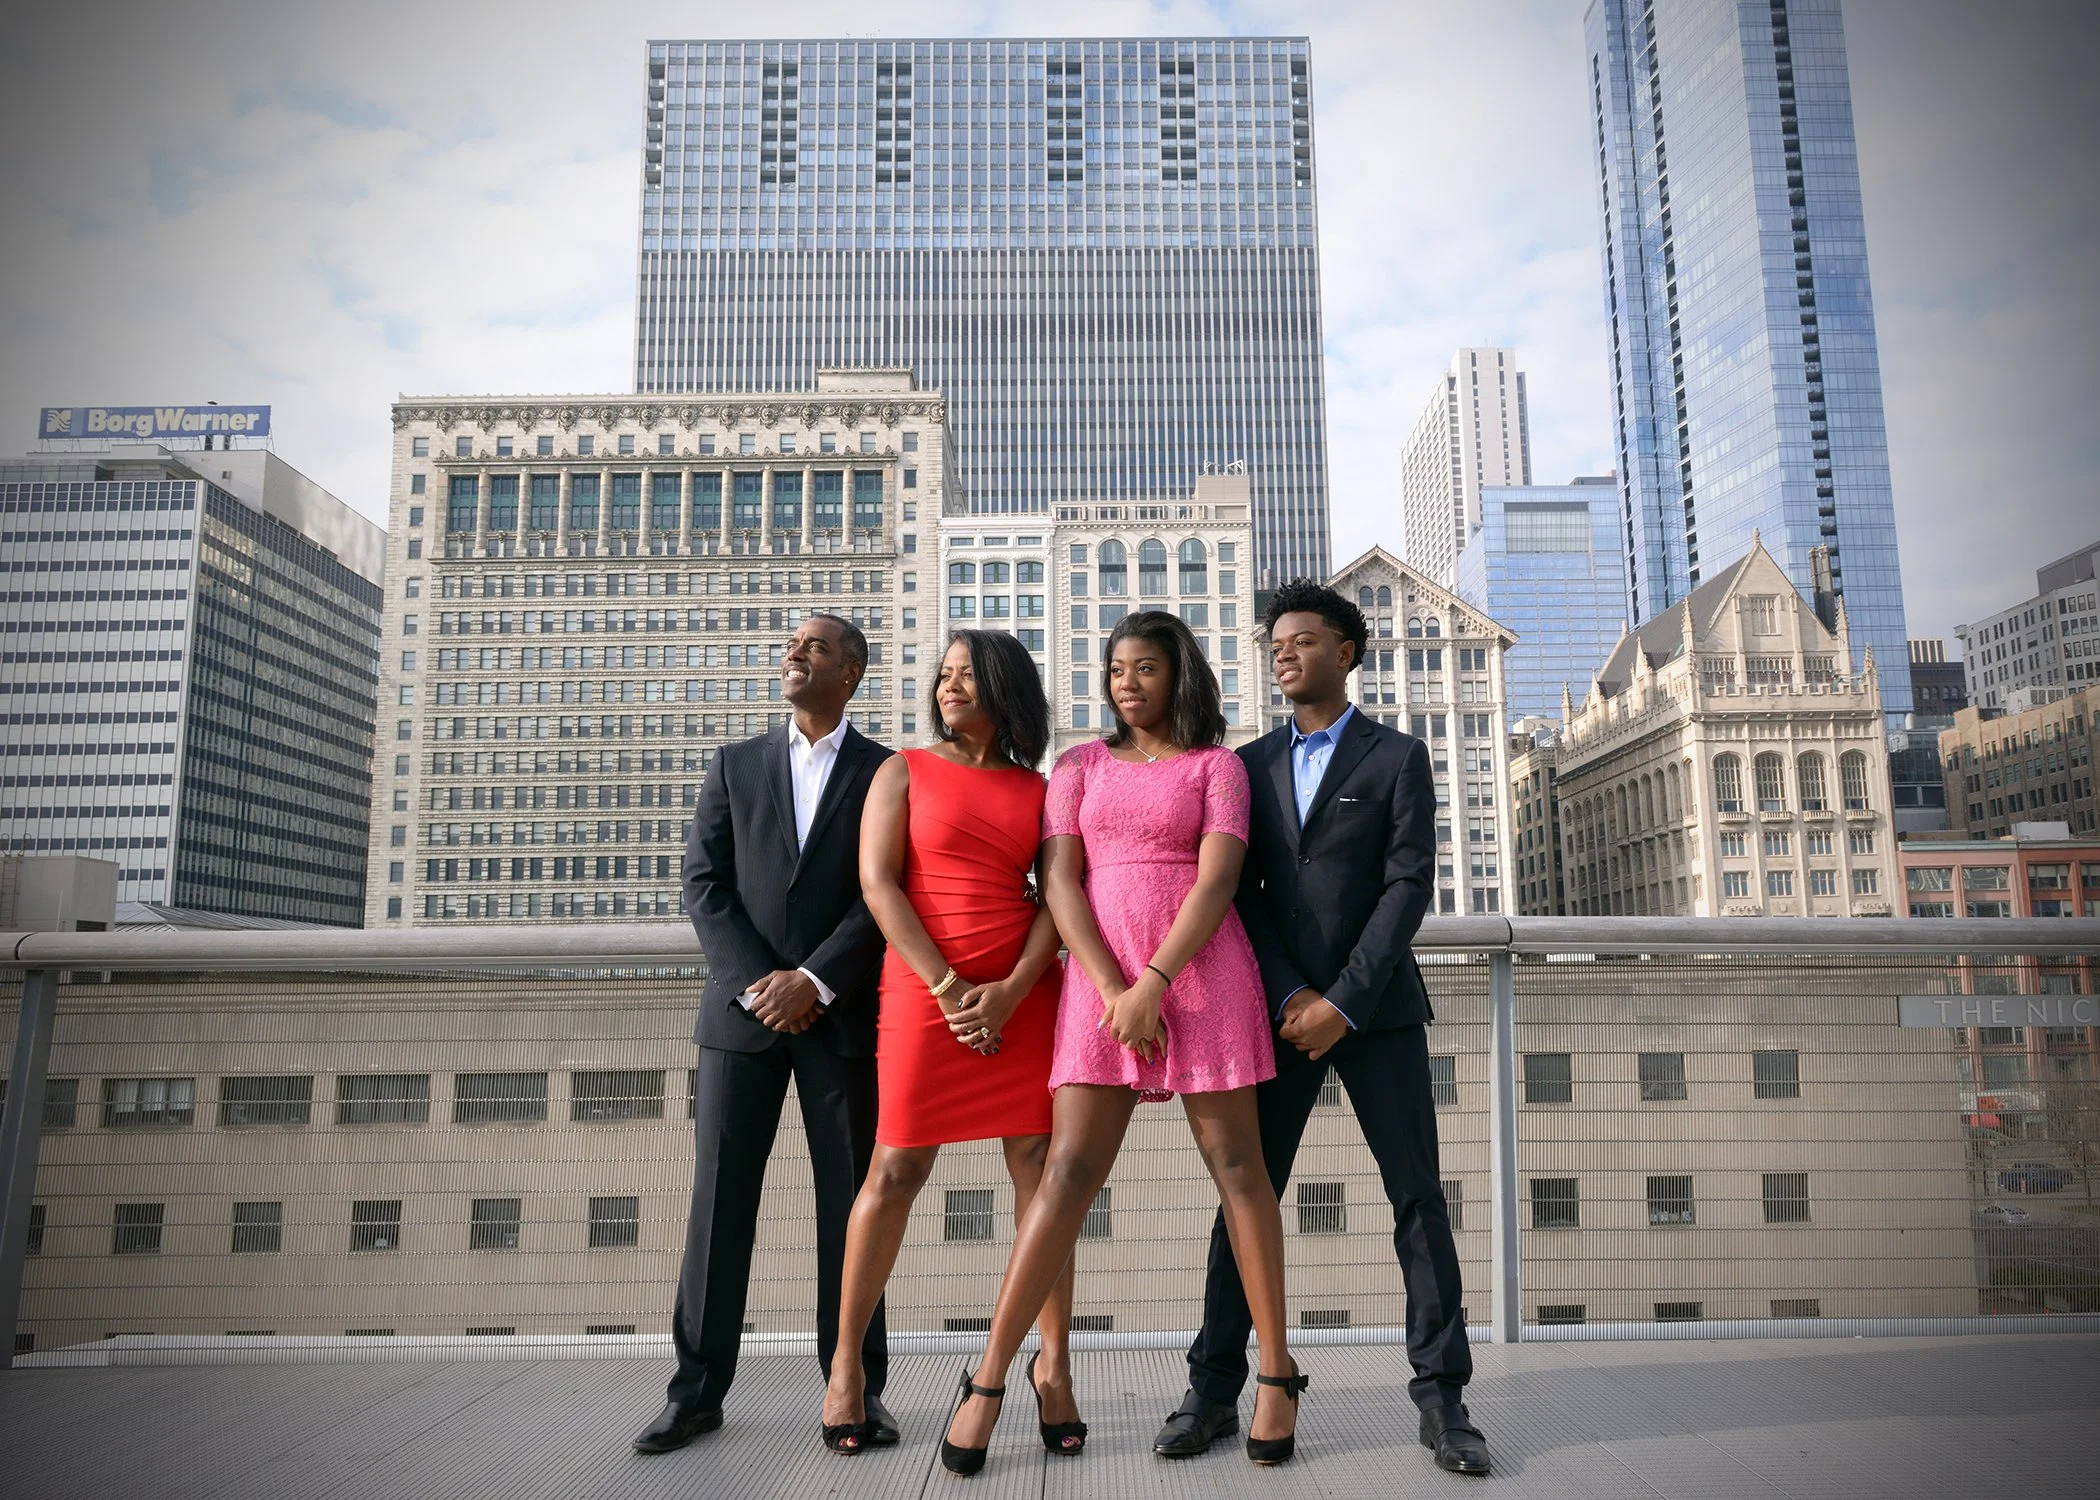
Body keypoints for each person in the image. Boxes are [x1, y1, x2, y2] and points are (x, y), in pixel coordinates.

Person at [938, 609, 1307, 1477]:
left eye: (1145, 667)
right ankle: (991, 1380)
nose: (1127, 683)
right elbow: (1060, 880)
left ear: (1180, 675)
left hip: (1204, 976)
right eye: (1115, 669)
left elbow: (1218, 879)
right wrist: (1113, 987)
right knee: (1064, 1176)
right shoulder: (1077, 767)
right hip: (1099, 992)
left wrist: (1156, 983)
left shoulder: (1218, 766)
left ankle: (1278, 1376)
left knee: (1241, 1172)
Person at [1161, 579, 1491, 1477]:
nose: (1284, 653)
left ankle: (1444, 1401)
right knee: (1244, 1197)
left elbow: (1406, 887)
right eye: (1277, 643)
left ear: (1346, 652)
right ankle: (1214, 1389)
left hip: (1375, 1015)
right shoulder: (1249, 764)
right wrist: (1292, 995)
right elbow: (1241, 894)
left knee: (1417, 1199)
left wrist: (1342, 1000)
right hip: (1279, 1016)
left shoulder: (1398, 756)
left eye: (1303, 640)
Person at [632, 613, 900, 1455]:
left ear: (851, 670)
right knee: (719, 1205)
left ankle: (855, 1386)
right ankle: (696, 1392)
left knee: (852, 1208)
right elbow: (704, 884)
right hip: (739, 1020)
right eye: (792, 644)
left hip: (843, 1016)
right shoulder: (734, 763)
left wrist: (815, 980)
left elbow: (887, 892)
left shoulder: (887, 772)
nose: (795, 653)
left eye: (816, 646)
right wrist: (762, 985)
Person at [816, 629, 1084, 1456]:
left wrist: (1006, 992)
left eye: (967, 674)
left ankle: (1053, 1369)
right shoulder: (901, 769)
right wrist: (945, 988)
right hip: (922, 994)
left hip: (1021, 997)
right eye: (944, 674)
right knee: (894, 1169)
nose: (949, 685)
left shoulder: (1038, 789)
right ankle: (847, 1371)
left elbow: (1057, 898)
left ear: (1004, 685)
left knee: (1040, 1176)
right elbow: (877, 884)